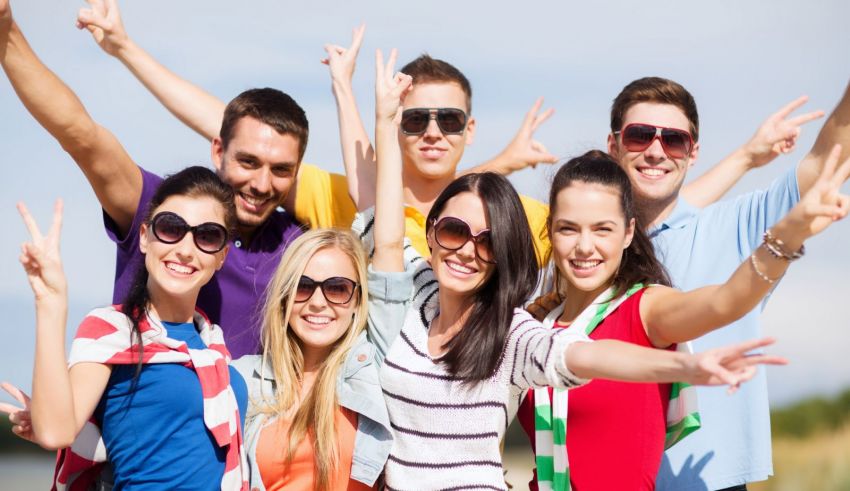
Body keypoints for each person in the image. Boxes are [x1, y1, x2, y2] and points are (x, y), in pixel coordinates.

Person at [367, 50, 787, 490]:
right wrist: (384, 120)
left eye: (489, 240)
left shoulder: (512, 331)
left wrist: (688, 367)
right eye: (454, 231)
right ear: (430, 232)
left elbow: (587, 354)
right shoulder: (425, 298)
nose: (468, 250)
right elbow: (387, 232)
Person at [516, 149, 850, 490]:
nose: (585, 246)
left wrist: (788, 234)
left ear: (628, 233)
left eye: (603, 229)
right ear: (550, 232)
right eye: (568, 229)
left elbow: (726, 300)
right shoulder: (537, 326)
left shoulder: (644, 309)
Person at [0, 0, 304, 357]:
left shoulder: (302, 247)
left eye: (281, 169)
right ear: (218, 151)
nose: (262, 184)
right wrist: (7, 30)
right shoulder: (162, 211)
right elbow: (80, 135)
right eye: (248, 162)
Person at [603, 77, 850, 490]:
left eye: (674, 140)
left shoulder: (737, 227)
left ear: (692, 153)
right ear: (613, 145)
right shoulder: (583, 241)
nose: (656, 150)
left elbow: (828, 157)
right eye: (640, 135)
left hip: (708, 480)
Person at [6, 167, 250, 490]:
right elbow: (56, 431)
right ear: (145, 237)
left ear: (222, 256)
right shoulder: (113, 331)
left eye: (207, 236)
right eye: (171, 228)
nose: (186, 249)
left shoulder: (215, 348)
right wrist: (51, 302)